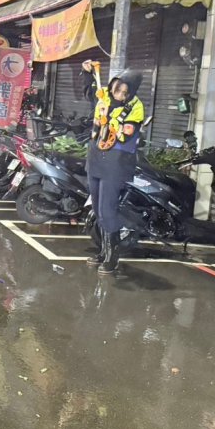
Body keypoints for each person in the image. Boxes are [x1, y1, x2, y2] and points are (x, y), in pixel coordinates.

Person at [87, 69, 145, 275]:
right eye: (116, 89)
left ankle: (113, 255)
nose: (118, 94)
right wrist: (87, 75)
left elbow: (125, 135)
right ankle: (104, 251)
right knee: (97, 209)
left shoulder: (136, 107)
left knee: (107, 209)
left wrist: (110, 115)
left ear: (131, 92)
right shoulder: (103, 99)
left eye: (124, 92)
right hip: (95, 158)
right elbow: (95, 122)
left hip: (116, 162)